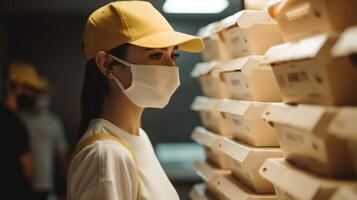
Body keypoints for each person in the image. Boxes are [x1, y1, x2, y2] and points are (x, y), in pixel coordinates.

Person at [66, 1, 204, 200]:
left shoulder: (138, 137)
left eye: (174, 55)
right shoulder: (106, 156)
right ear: (107, 65)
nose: (171, 67)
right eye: (156, 55)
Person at [18, 77, 69, 200]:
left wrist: (67, 184)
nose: (43, 97)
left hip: (47, 188)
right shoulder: (20, 120)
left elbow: (61, 156)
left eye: (45, 93)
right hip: (22, 188)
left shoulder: (54, 122)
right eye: (39, 93)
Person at [1, 62, 43, 199]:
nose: (33, 95)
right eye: (30, 89)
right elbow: (27, 171)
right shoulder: (16, 125)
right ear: (15, 86)